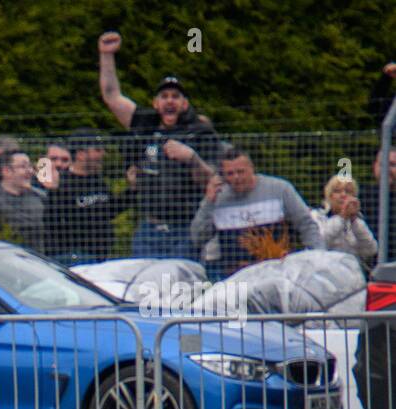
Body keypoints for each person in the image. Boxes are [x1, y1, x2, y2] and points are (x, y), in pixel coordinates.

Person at [98, 31, 217, 259]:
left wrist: (192, 158)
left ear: (184, 104)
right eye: (164, 96)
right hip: (149, 227)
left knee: (180, 287)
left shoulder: (200, 131)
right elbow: (112, 96)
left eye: (175, 96)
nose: (169, 100)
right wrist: (106, 55)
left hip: (186, 227)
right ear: (155, 103)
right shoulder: (145, 122)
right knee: (145, 286)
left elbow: (213, 179)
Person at [190, 146, 323, 280]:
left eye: (241, 172)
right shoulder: (217, 199)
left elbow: (306, 224)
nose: (236, 177)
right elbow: (197, 237)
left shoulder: (279, 189)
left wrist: (319, 259)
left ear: (251, 169)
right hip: (236, 278)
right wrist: (208, 202)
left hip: (279, 273)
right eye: (230, 173)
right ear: (223, 175)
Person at [43, 128, 131, 264]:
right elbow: (54, 221)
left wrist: (133, 189)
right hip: (73, 255)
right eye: (97, 149)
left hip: (100, 255)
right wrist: (55, 193)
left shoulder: (98, 180)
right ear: (81, 154)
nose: (102, 153)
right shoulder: (62, 182)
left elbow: (110, 210)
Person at [310, 174, 379, 264]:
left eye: (348, 191)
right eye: (337, 191)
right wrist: (341, 218)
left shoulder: (358, 221)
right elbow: (319, 242)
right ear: (330, 195)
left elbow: (371, 250)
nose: (343, 195)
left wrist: (355, 222)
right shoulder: (317, 216)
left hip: (351, 271)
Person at [358, 147, 396, 263]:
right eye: (382, 164)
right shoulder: (360, 197)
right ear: (374, 166)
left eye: (392, 165)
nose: (387, 170)